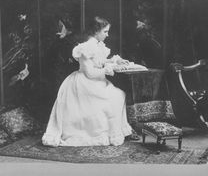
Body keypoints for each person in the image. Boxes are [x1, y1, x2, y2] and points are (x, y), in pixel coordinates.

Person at [42, 16, 138, 147]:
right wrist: (107, 70)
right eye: (105, 32)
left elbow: (99, 60)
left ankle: (116, 131)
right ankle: (102, 133)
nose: (107, 35)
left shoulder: (97, 45)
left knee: (119, 94)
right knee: (115, 96)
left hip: (96, 81)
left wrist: (115, 61)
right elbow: (90, 73)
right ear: (96, 31)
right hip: (85, 83)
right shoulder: (86, 47)